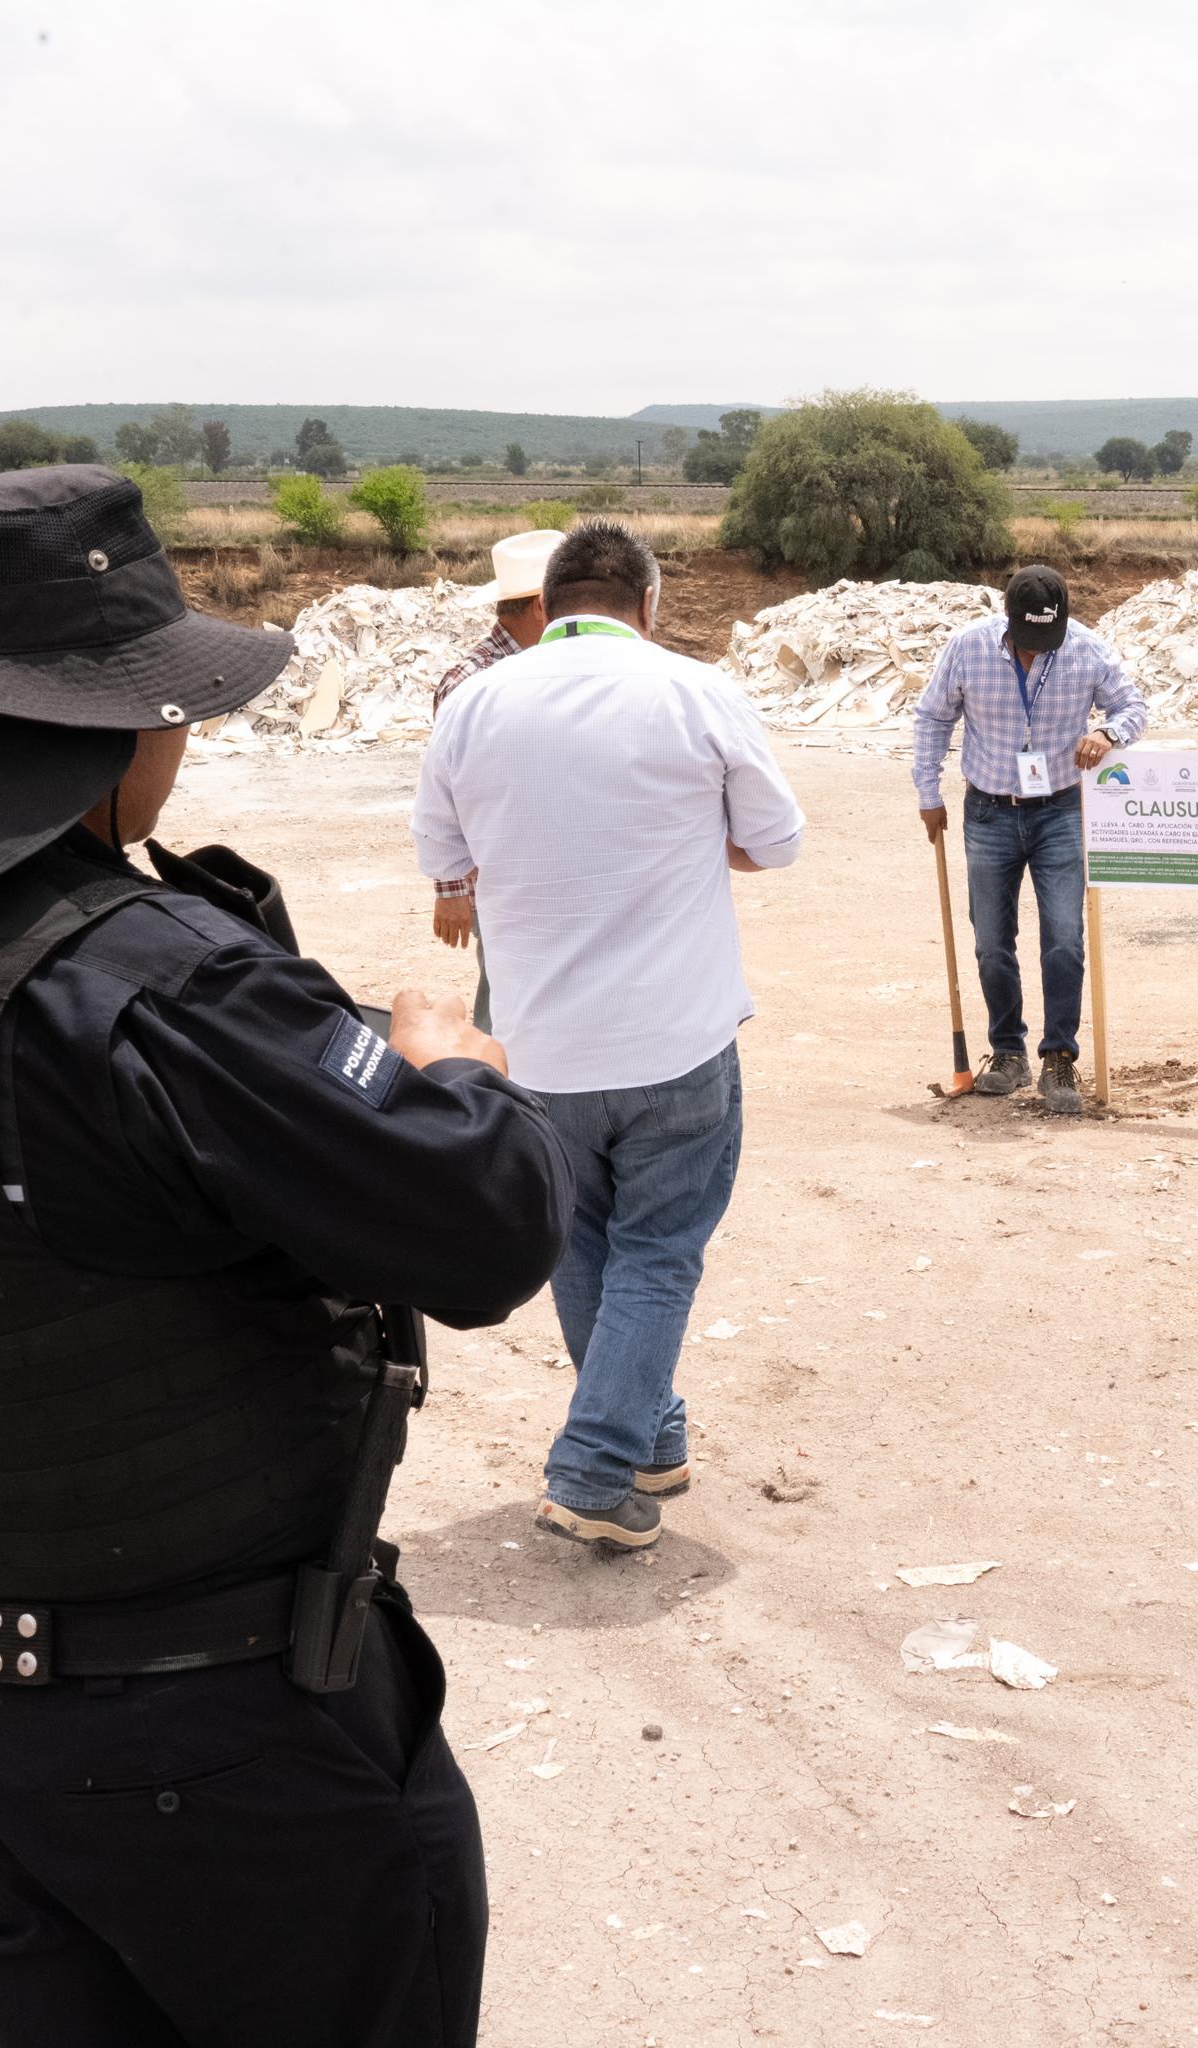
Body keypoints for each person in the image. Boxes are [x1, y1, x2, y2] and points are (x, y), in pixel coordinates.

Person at [0, 465, 571, 2048]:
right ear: (104, 721)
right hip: (223, 1728)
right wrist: (447, 1071)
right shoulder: (143, 984)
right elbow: (482, 1235)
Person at [411, 520, 804, 1552]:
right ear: (652, 602)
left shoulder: (475, 703)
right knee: (660, 1249)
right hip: (675, 1035)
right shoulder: (695, 692)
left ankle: (651, 1437)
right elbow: (778, 840)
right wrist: (682, 834)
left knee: (582, 1244)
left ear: (550, 599)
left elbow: (442, 851)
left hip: (538, 1041)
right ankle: (591, 1469)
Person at [910, 564, 1147, 1115]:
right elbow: (932, 717)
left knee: (1064, 937)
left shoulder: (1088, 649)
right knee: (991, 940)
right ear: (1008, 618)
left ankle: (1058, 1057)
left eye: (1049, 638)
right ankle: (1008, 1052)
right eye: (1029, 639)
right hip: (988, 810)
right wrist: (928, 792)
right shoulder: (967, 648)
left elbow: (1133, 706)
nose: (1039, 651)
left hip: (1061, 810)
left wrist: (1107, 732)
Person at [430, 529, 563, 1031]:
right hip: (504, 878)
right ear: (541, 607)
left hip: (545, 870)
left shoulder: (544, 671)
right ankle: (494, 1096)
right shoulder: (471, 682)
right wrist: (450, 888)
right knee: (507, 1001)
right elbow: (448, 792)